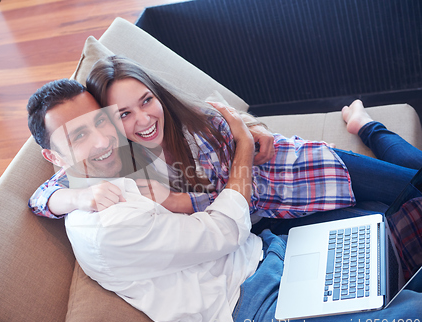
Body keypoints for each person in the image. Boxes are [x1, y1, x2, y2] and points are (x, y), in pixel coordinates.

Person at [26, 79, 422, 322]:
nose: (100, 141)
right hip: (248, 305)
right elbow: (225, 231)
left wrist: (254, 130)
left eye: (101, 121)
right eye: (78, 135)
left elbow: (232, 119)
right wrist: (70, 197)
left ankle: (368, 131)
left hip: (271, 248)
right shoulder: (108, 223)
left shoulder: (116, 157)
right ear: (54, 156)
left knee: (396, 243)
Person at [29, 55, 421, 225]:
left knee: (415, 185)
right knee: (387, 229)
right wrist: (79, 198)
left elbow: (242, 123)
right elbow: (42, 196)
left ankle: (366, 127)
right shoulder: (116, 160)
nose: (144, 119)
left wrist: (255, 132)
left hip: (304, 169)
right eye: (124, 114)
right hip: (277, 217)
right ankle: (366, 128)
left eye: (147, 101)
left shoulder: (192, 119)